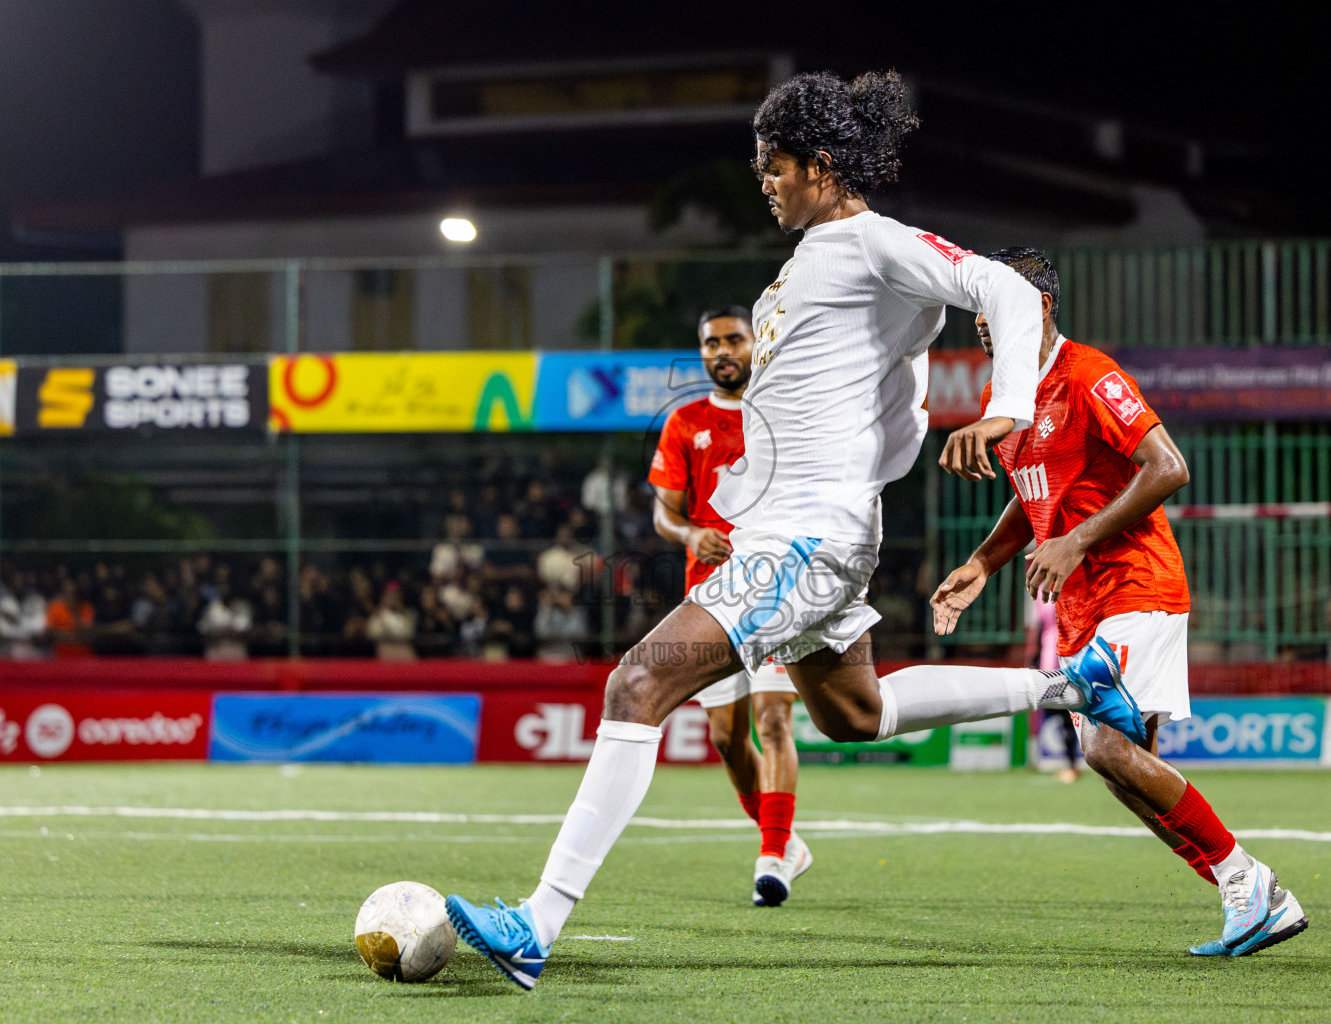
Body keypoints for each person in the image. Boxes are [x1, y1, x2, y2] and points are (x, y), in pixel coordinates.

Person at [446, 70, 1144, 991]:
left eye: (773, 167)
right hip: (803, 528)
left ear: (820, 167)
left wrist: (1007, 408)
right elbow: (869, 386)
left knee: (638, 682)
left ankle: (537, 921)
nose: (763, 182)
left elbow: (1003, 293)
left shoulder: (871, 241)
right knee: (856, 714)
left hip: (807, 536)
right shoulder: (820, 258)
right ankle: (1071, 686)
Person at [933, 247, 1309, 958]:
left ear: (1039, 305)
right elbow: (1029, 498)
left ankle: (1248, 880)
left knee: (1105, 747)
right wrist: (981, 561)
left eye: (997, 305)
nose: (982, 320)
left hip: (1135, 587)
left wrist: (1074, 541)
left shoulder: (1089, 375)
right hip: (1081, 607)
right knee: (1117, 764)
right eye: (977, 307)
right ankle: (1251, 896)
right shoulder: (1006, 399)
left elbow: (1169, 467)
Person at [648, 304, 809, 906]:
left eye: (733, 339)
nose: (722, 351)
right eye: (711, 342)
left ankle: (773, 854)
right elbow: (663, 510)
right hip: (710, 593)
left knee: (773, 718)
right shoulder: (684, 422)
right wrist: (689, 534)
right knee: (724, 736)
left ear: (755, 343)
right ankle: (784, 840)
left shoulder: (782, 413)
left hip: (777, 587)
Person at [1029, 595, 1081, 782]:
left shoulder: (1073, 583)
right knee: (1060, 716)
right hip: (1049, 661)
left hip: (1072, 659)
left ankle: (1074, 765)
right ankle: (1070, 763)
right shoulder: (1043, 590)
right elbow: (1040, 624)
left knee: (1073, 715)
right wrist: (1035, 655)